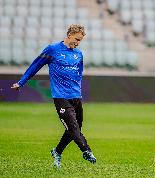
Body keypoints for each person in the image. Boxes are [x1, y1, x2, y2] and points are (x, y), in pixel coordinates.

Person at [11, 24, 96, 168]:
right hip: (60, 97)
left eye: (80, 40)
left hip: (76, 96)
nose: (78, 43)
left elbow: (78, 73)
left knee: (74, 129)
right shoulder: (53, 49)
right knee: (73, 127)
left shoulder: (79, 54)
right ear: (69, 35)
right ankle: (86, 150)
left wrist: (77, 89)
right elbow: (35, 65)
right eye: (77, 39)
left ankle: (57, 151)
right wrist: (22, 82)